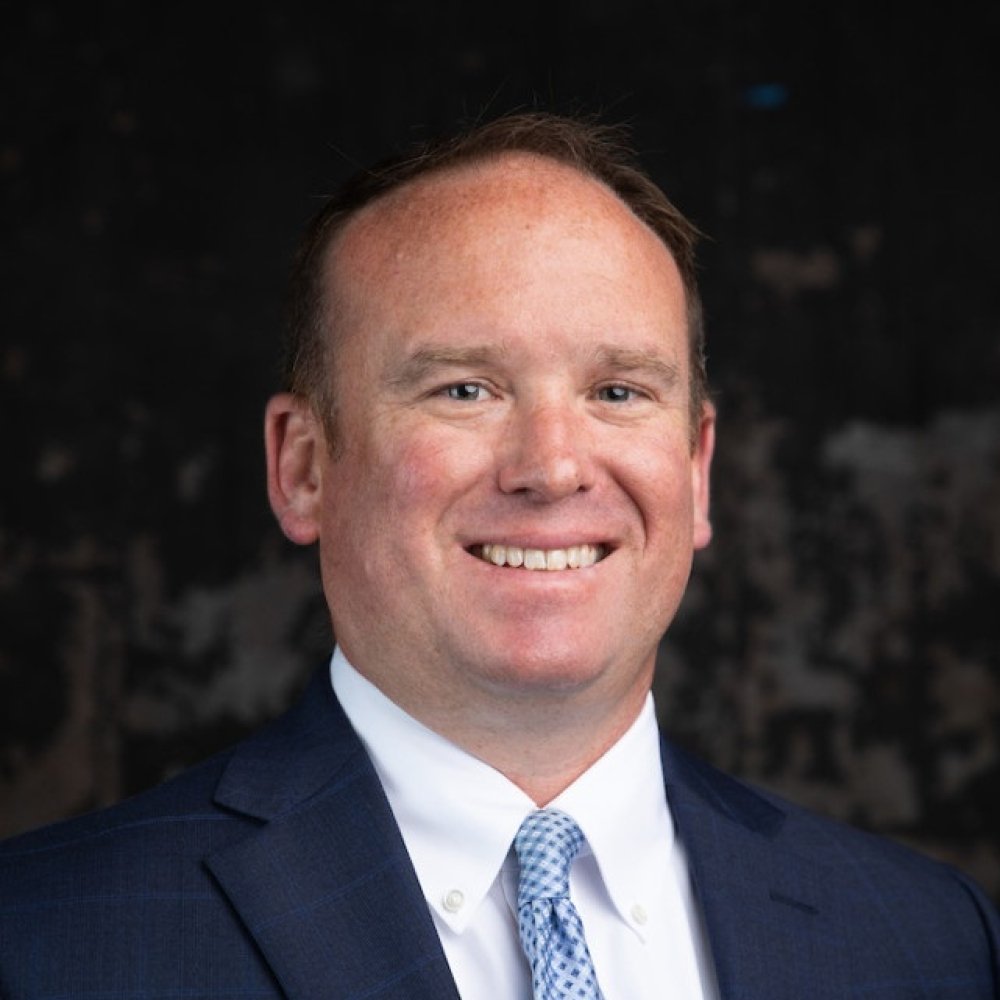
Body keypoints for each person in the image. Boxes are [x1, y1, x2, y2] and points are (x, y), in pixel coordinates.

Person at [0, 112, 997, 999]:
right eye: (464, 389)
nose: (553, 466)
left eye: (617, 391)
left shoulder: (930, 942)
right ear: (302, 467)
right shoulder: (44, 944)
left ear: (696, 473)